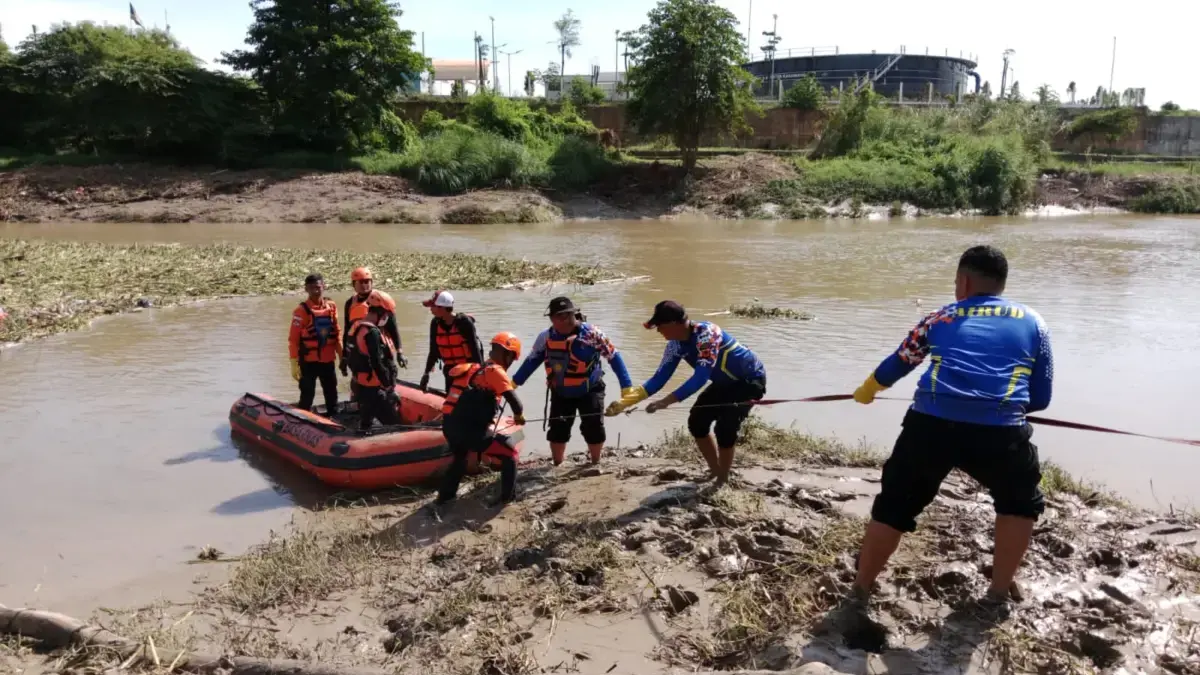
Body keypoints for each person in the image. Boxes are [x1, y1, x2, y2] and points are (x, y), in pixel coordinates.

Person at [848, 244, 1054, 608]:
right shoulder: (1033, 322)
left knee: (894, 506)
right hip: (1001, 433)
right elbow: (1040, 398)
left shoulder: (940, 317)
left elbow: (899, 362)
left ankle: (861, 589)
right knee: (1019, 503)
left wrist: (867, 391)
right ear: (1001, 284)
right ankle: (997, 592)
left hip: (929, 427)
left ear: (963, 280)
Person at [606, 301, 767, 487]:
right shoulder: (675, 346)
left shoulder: (707, 335)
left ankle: (723, 479)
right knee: (697, 422)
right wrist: (623, 403)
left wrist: (666, 401)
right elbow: (659, 379)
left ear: (674, 323)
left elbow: (700, 377)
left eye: (660, 326)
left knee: (725, 428)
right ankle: (714, 471)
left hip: (749, 380)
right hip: (724, 383)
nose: (658, 330)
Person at [513, 296, 635, 465]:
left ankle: (595, 463)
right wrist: (514, 383)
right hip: (560, 391)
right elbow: (532, 361)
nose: (563, 321)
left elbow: (614, 357)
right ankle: (557, 464)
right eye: (558, 317)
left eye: (567, 315)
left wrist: (626, 387)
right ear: (551, 318)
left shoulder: (593, 333)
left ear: (574, 314)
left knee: (593, 427)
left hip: (590, 388)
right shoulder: (546, 337)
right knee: (557, 429)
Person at [436, 332, 527, 508]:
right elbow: (515, 402)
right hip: (470, 431)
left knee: (460, 458)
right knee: (510, 454)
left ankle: (444, 498)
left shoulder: (474, 368)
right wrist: (519, 416)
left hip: (449, 426)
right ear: (507, 355)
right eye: (512, 359)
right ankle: (508, 499)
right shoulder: (495, 371)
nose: (510, 363)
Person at [345, 290, 404, 430]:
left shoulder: (358, 326)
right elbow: (377, 363)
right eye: (386, 315)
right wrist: (389, 388)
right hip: (373, 388)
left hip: (360, 384)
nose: (387, 318)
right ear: (380, 312)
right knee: (396, 425)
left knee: (366, 421)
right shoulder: (372, 333)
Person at [288, 273, 343, 414]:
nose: (316, 290)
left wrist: (343, 357)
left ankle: (333, 420)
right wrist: (294, 363)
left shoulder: (331, 307)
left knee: (331, 394)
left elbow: (337, 333)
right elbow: (293, 340)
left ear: (323, 287)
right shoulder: (301, 311)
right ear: (306, 289)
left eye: (318, 287)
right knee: (307, 395)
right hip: (308, 362)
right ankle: (301, 422)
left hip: (328, 360)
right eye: (312, 288)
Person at [342, 267, 406, 384]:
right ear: (353, 284)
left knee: (384, 378)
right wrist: (345, 356)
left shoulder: (382, 301)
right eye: (360, 282)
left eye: (367, 281)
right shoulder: (350, 303)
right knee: (362, 380)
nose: (364, 285)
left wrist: (400, 352)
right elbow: (347, 330)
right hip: (360, 353)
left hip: (380, 351)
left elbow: (393, 328)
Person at [419, 290, 484, 393]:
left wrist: (480, 377)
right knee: (451, 403)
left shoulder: (464, 323)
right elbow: (433, 351)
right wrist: (426, 374)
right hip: (450, 372)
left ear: (442, 308)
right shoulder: (435, 324)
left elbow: (475, 351)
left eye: (433, 306)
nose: (430, 309)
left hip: (468, 372)